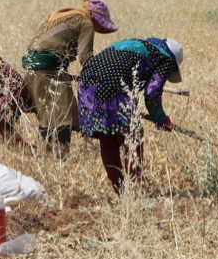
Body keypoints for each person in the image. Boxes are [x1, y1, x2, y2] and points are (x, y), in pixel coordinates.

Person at [77, 38, 183, 194]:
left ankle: (121, 192)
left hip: (86, 81)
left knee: (107, 136)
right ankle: (134, 190)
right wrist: (161, 119)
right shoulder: (166, 58)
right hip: (112, 85)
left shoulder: (141, 45)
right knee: (133, 134)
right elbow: (152, 92)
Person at [22, 0, 118, 159]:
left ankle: (44, 155)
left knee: (46, 113)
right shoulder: (85, 22)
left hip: (31, 68)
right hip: (50, 68)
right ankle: (62, 157)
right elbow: (85, 57)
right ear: (94, 16)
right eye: (98, 24)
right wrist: (99, 76)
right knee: (63, 113)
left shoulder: (58, 15)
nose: (96, 28)